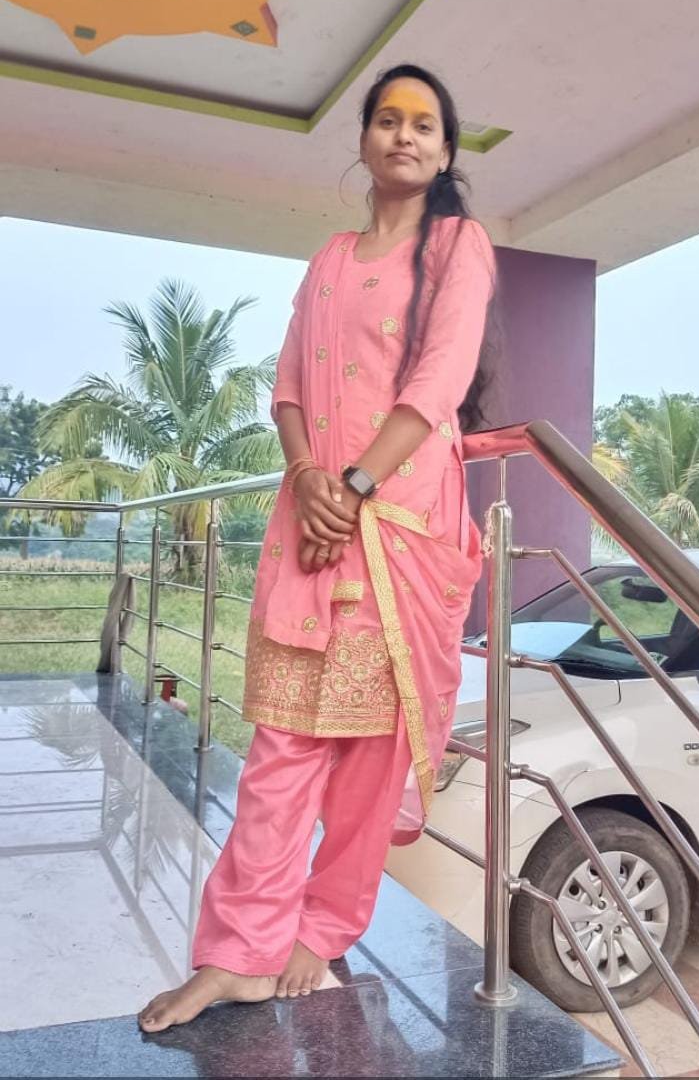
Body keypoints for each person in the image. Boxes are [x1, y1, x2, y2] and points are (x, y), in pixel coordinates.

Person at [138, 63, 497, 1033]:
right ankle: (236, 954)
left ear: (445, 151)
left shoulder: (457, 246)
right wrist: (305, 477)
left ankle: (324, 924)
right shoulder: (332, 257)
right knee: (283, 746)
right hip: (314, 524)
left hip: (400, 525)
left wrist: (358, 483)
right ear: (366, 139)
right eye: (388, 119)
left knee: (372, 754)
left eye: (425, 123)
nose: (405, 135)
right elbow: (291, 383)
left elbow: (438, 380)